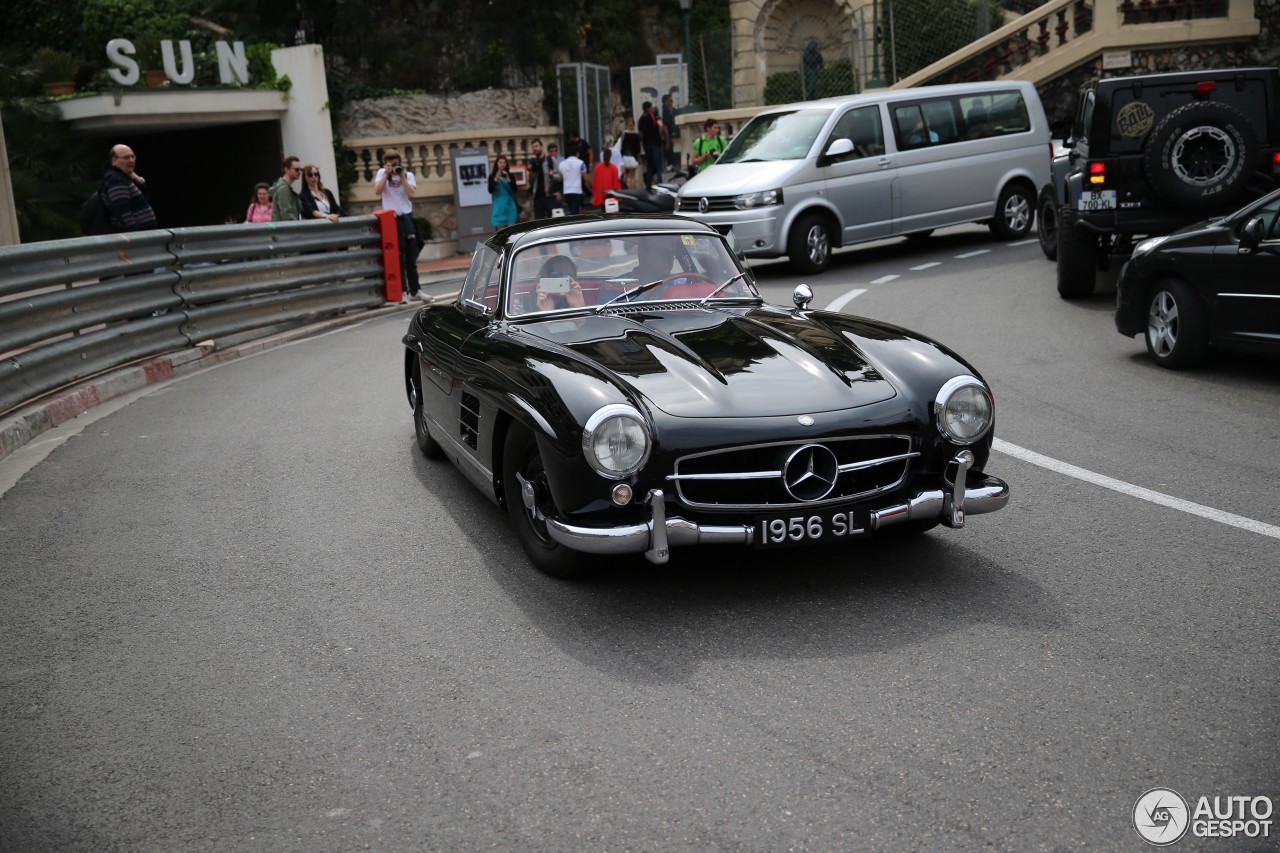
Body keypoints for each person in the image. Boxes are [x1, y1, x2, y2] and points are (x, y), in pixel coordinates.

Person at [374, 149, 422, 302]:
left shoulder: (408, 175)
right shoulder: (382, 173)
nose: (393, 162)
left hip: (406, 217)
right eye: (389, 159)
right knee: (398, 256)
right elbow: (377, 191)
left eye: (395, 159)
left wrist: (401, 176)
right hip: (391, 219)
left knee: (411, 255)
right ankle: (402, 291)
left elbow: (411, 194)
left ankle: (415, 290)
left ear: (400, 160)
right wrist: (387, 174)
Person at [100, 144, 157, 232]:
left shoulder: (122, 177)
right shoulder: (115, 179)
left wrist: (139, 180)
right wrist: (135, 235)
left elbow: (145, 196)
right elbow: (123, 212)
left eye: (133, 157)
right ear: (114, 160)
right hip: (136, 239)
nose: (131, 160)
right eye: (126, 158)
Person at [638, 101, 664, 190]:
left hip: (646, 144)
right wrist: (662, 136)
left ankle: (648, 184)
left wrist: (643, 144)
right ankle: (660, 183)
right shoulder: (654, 115)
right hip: (656, 143)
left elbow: (641, 134)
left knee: (649, 165)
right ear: (649, 107)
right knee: (658, 165)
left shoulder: (641, 118)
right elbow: (661, 126)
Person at [488, 155, 519, 229]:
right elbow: (490, 190)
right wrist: (495, 179)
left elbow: (515, 190)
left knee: (512, 232)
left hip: (510, 207)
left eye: (504, 162)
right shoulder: (492, 176)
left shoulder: (510, 175)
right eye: (500, 162)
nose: (502, 164)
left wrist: (509, 180)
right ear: (497, 164)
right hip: (498, 208)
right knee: (500, 234)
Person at [526, 140, 553, 219]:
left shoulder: (550, 160)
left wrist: (552, 175)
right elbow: (530, 181)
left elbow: (560, 176)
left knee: (552, 221)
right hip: (537, 197)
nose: (534, 148)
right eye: (533, 147)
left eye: (536, 146)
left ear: (541, 147)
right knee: (539, 222)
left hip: (549, 196)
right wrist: (530, 171)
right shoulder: (532, 162)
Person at [270, 155, 303, 221]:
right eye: (297, 169)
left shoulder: (284, 187)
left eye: (300, 169)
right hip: (286, 230)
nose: (299, 172)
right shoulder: (284, 189)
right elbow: (287, 215)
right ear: (287, 170)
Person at [558, 145, 588, 215]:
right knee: (574, 212)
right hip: (577, 191)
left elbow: (560, 177)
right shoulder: (581, 163)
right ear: (577, 154)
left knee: (572, 211)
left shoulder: (561, 164)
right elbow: (586, 178)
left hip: (566, 192)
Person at [619, 117, 641, 188]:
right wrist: (639, 157)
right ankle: (633, 192)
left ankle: (623, 188)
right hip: (633, 157)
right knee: (632, 176)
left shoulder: (623, 134)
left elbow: (621, 145)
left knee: (625, 174)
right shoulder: (636, 135)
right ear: (634, 125)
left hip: (624, 157)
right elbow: (638, 148)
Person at [545, 142, 564, 213]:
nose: (554, 153)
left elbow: (561, 176)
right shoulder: (546, 160)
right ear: (548, 152)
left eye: (555, 151)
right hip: (550, 188)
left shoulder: (561, 160)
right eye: (551, 151)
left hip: (559, 186)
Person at [661, 93, 679, 169]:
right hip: (667, 135)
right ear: (665, 102)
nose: (670, 103)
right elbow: (665, 126)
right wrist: (668, 139)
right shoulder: (664, 112)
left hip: (673, 134)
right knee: (669, 151)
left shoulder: (674, 110)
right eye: (668, 101)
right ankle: (670, 164)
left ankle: (671, 164)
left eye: (671, 101)